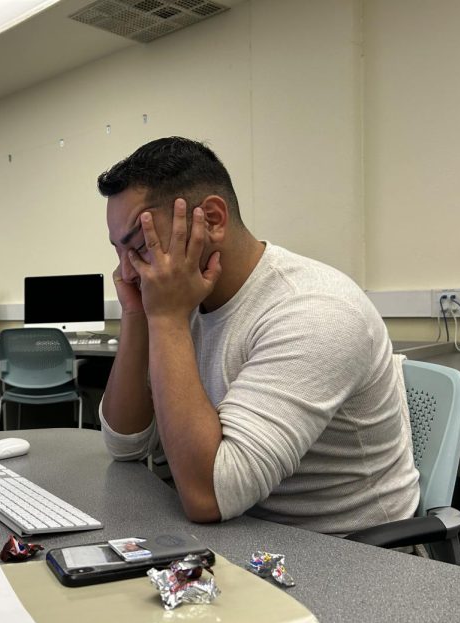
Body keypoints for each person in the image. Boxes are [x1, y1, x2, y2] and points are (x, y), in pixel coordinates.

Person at [97, 137, 419, 535]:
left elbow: (209, 497)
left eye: (141, 246)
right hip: (244, 534)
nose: (127, 273)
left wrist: (165, 318)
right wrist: (137, 314)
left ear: (212, 220)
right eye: (119, 251)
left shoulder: (316, 310)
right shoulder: (182, 301)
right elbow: (126, 445)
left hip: (349, 552)